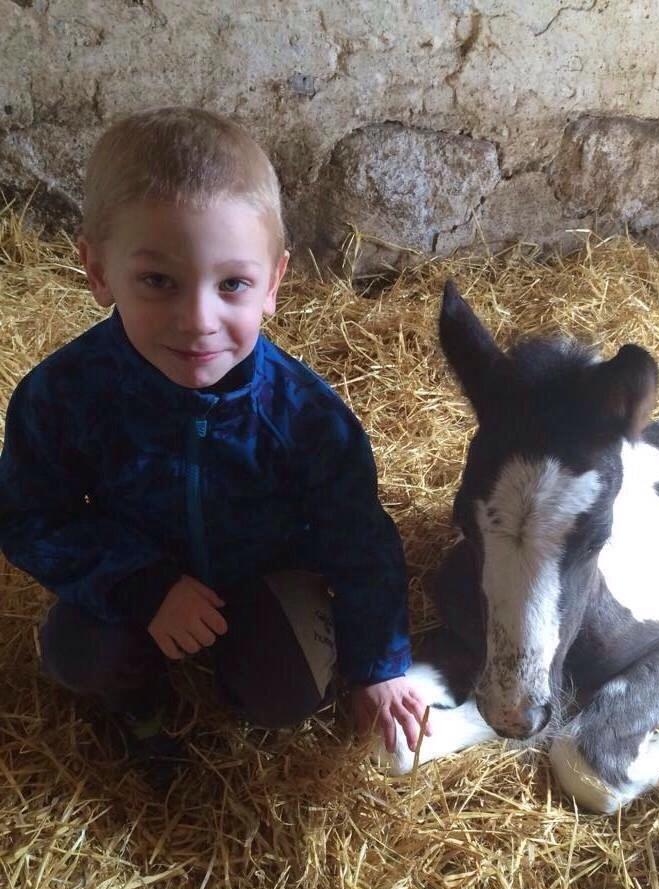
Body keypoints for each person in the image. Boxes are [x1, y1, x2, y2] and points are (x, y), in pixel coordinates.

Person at [0, 106, 429, 783]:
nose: (198, 321)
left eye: (232, 284)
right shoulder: (62, 397)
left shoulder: (307, 415)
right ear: (96, 269)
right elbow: (28, 515)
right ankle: (140, 707)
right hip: (139, 578)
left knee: (287, 691)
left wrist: (379, 666)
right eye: (158, 281)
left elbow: (360, 538)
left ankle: (233, 687)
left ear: (274, 283)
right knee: (76, 652)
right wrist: (142, 584)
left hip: (261, 583)